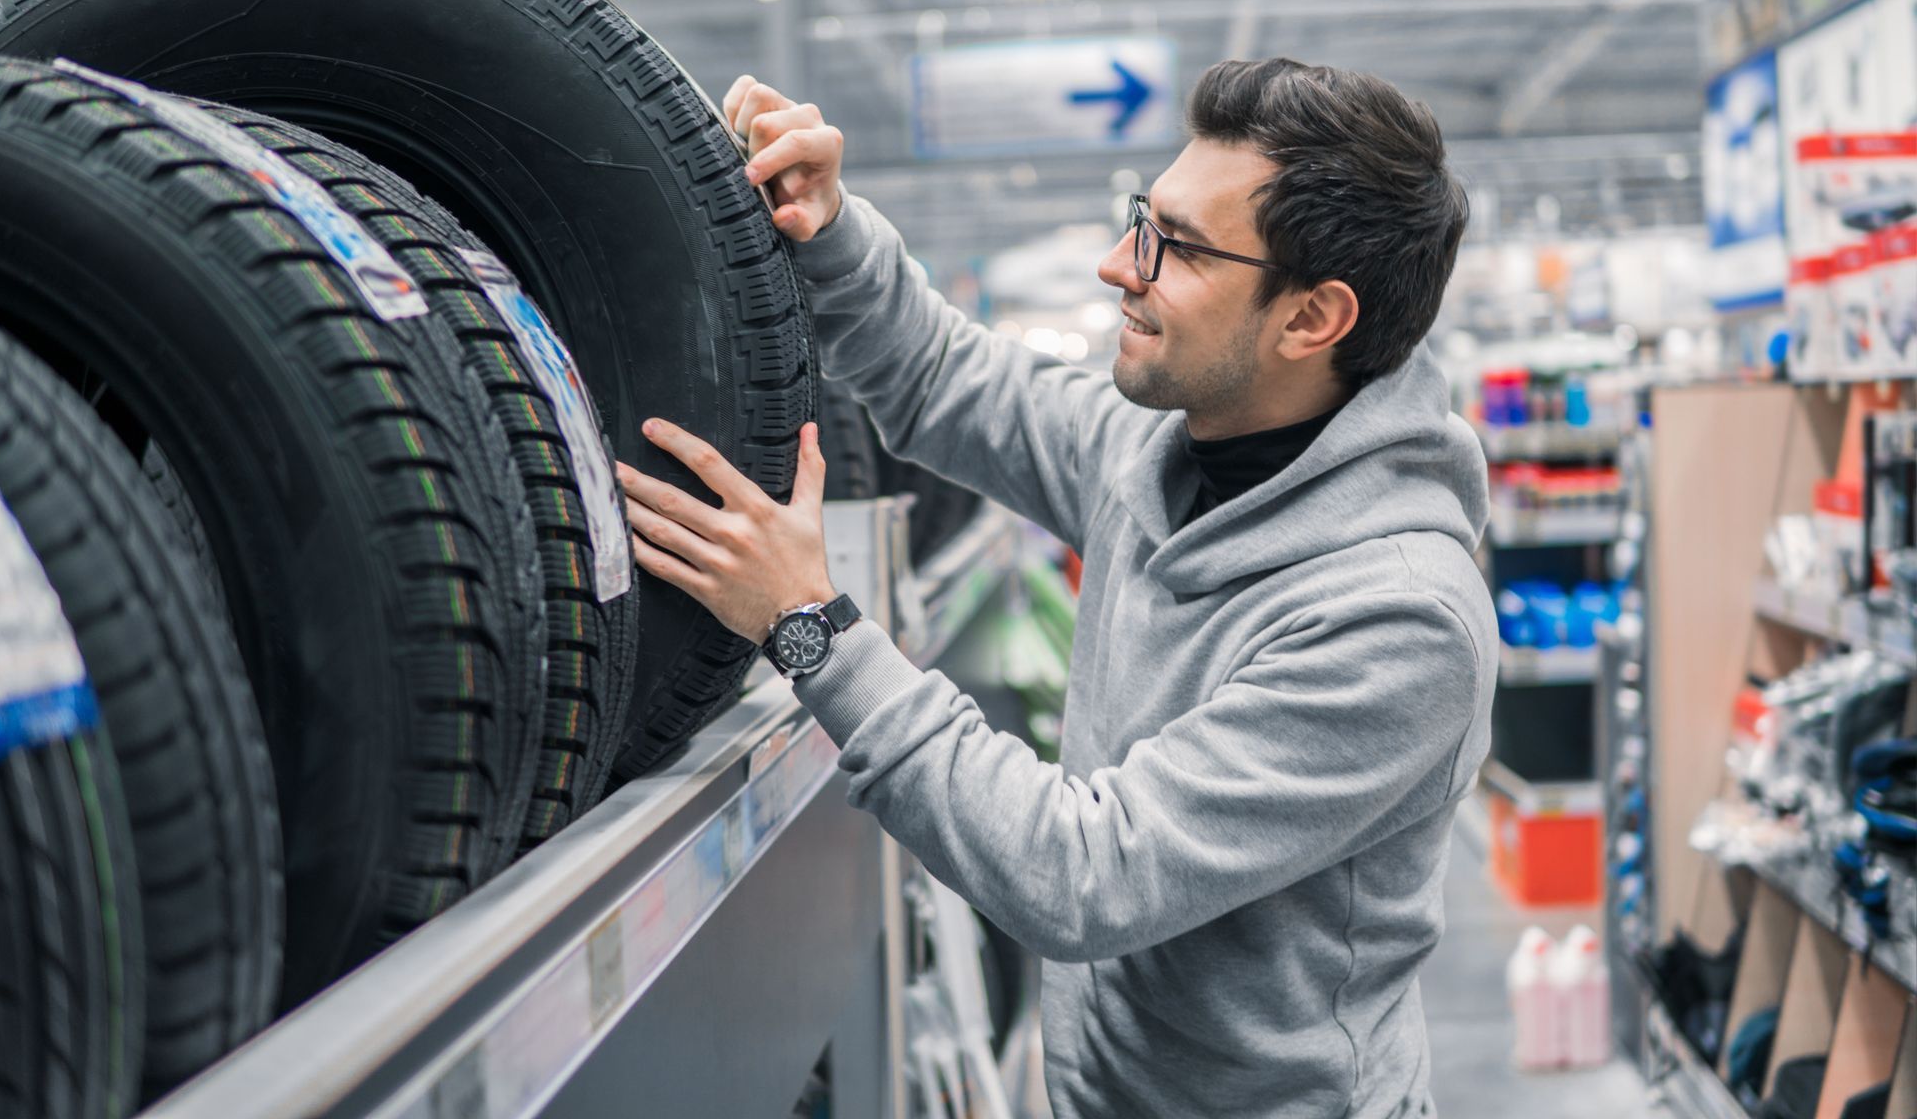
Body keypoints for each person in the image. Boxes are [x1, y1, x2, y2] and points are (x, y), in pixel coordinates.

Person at [617, 56, 1496, 1118]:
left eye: (1176, 246)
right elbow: (945, 376)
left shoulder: (1398, 620)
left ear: (1312, 319)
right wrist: (831, 225)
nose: (1118, 264)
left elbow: (1084, 873)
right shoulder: (1161, 449)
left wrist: (810, 623)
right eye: (1143, 217)